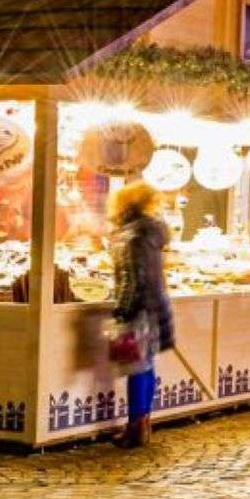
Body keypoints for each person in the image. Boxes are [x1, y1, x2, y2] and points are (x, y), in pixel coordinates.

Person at [108, 181, 174, 449]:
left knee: (137, 368)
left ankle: (136, 427)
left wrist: (121, 310)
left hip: (138, 309)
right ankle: (142, 425)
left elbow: (134, 277)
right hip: (153, 306)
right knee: (144, 367)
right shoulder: (150, 232)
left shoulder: (133, 235)